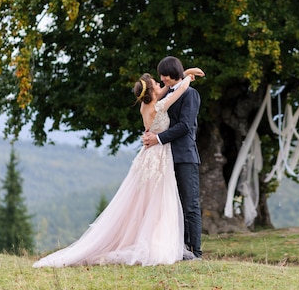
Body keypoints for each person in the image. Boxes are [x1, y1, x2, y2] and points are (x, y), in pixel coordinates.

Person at [33, 68, 204, 267]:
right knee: (159, 202)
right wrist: (187, 77)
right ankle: (168, 245)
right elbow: (179, 90)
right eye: (157, 84)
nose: (161, 84)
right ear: (151, 91)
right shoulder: (160, 105)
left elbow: (169, 88)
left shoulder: (145, 106)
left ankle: (169, 243)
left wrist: (179, 74)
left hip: (149, 157)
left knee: (149, 203)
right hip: (157, 156)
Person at [143, 56, 203, 259]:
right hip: (165, 157)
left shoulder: (191, 95)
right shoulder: (166, 94)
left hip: (185, 156)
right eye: (160, 75)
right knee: (173, 204)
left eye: (165, 75)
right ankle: (180, 248)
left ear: (174, 73)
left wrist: (158, 138)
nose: (162, 78)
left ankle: (196, 251)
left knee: (190, 204)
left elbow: (185, 125)